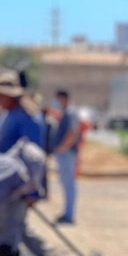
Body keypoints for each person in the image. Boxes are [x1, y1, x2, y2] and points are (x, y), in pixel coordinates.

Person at [0, 71, 72, 256]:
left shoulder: (25, 117)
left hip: (17, 184)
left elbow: (33, 155)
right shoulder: (12, 115)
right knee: (18, 228)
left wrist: (32, 190)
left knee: (7, 232)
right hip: (8, 182)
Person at [50, 89, 81, 224]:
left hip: (67, 153)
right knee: (65, 182)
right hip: (64, 153)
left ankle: (69, 214)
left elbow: (73, 132)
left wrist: (62, 147)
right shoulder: (65, 112)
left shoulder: (70, 112)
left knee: (69, 184)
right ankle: (67, 212)